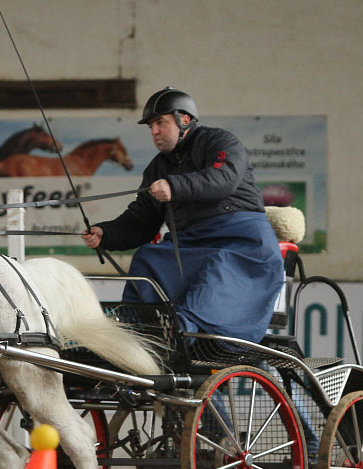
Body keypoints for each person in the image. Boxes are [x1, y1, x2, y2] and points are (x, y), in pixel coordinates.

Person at [82, 87, 283, 343]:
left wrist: (174, 187)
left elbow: (224, 178)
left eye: (160, 123)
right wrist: (106, 233)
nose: (154, 131)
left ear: (184, 120)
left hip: (241, 246)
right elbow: (141, 219)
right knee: (147, 258)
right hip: (191, 245)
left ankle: (178, 332)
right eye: (151, 126)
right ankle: (135, 332)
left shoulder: (221, 142)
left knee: (214, 269)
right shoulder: (157, 167)